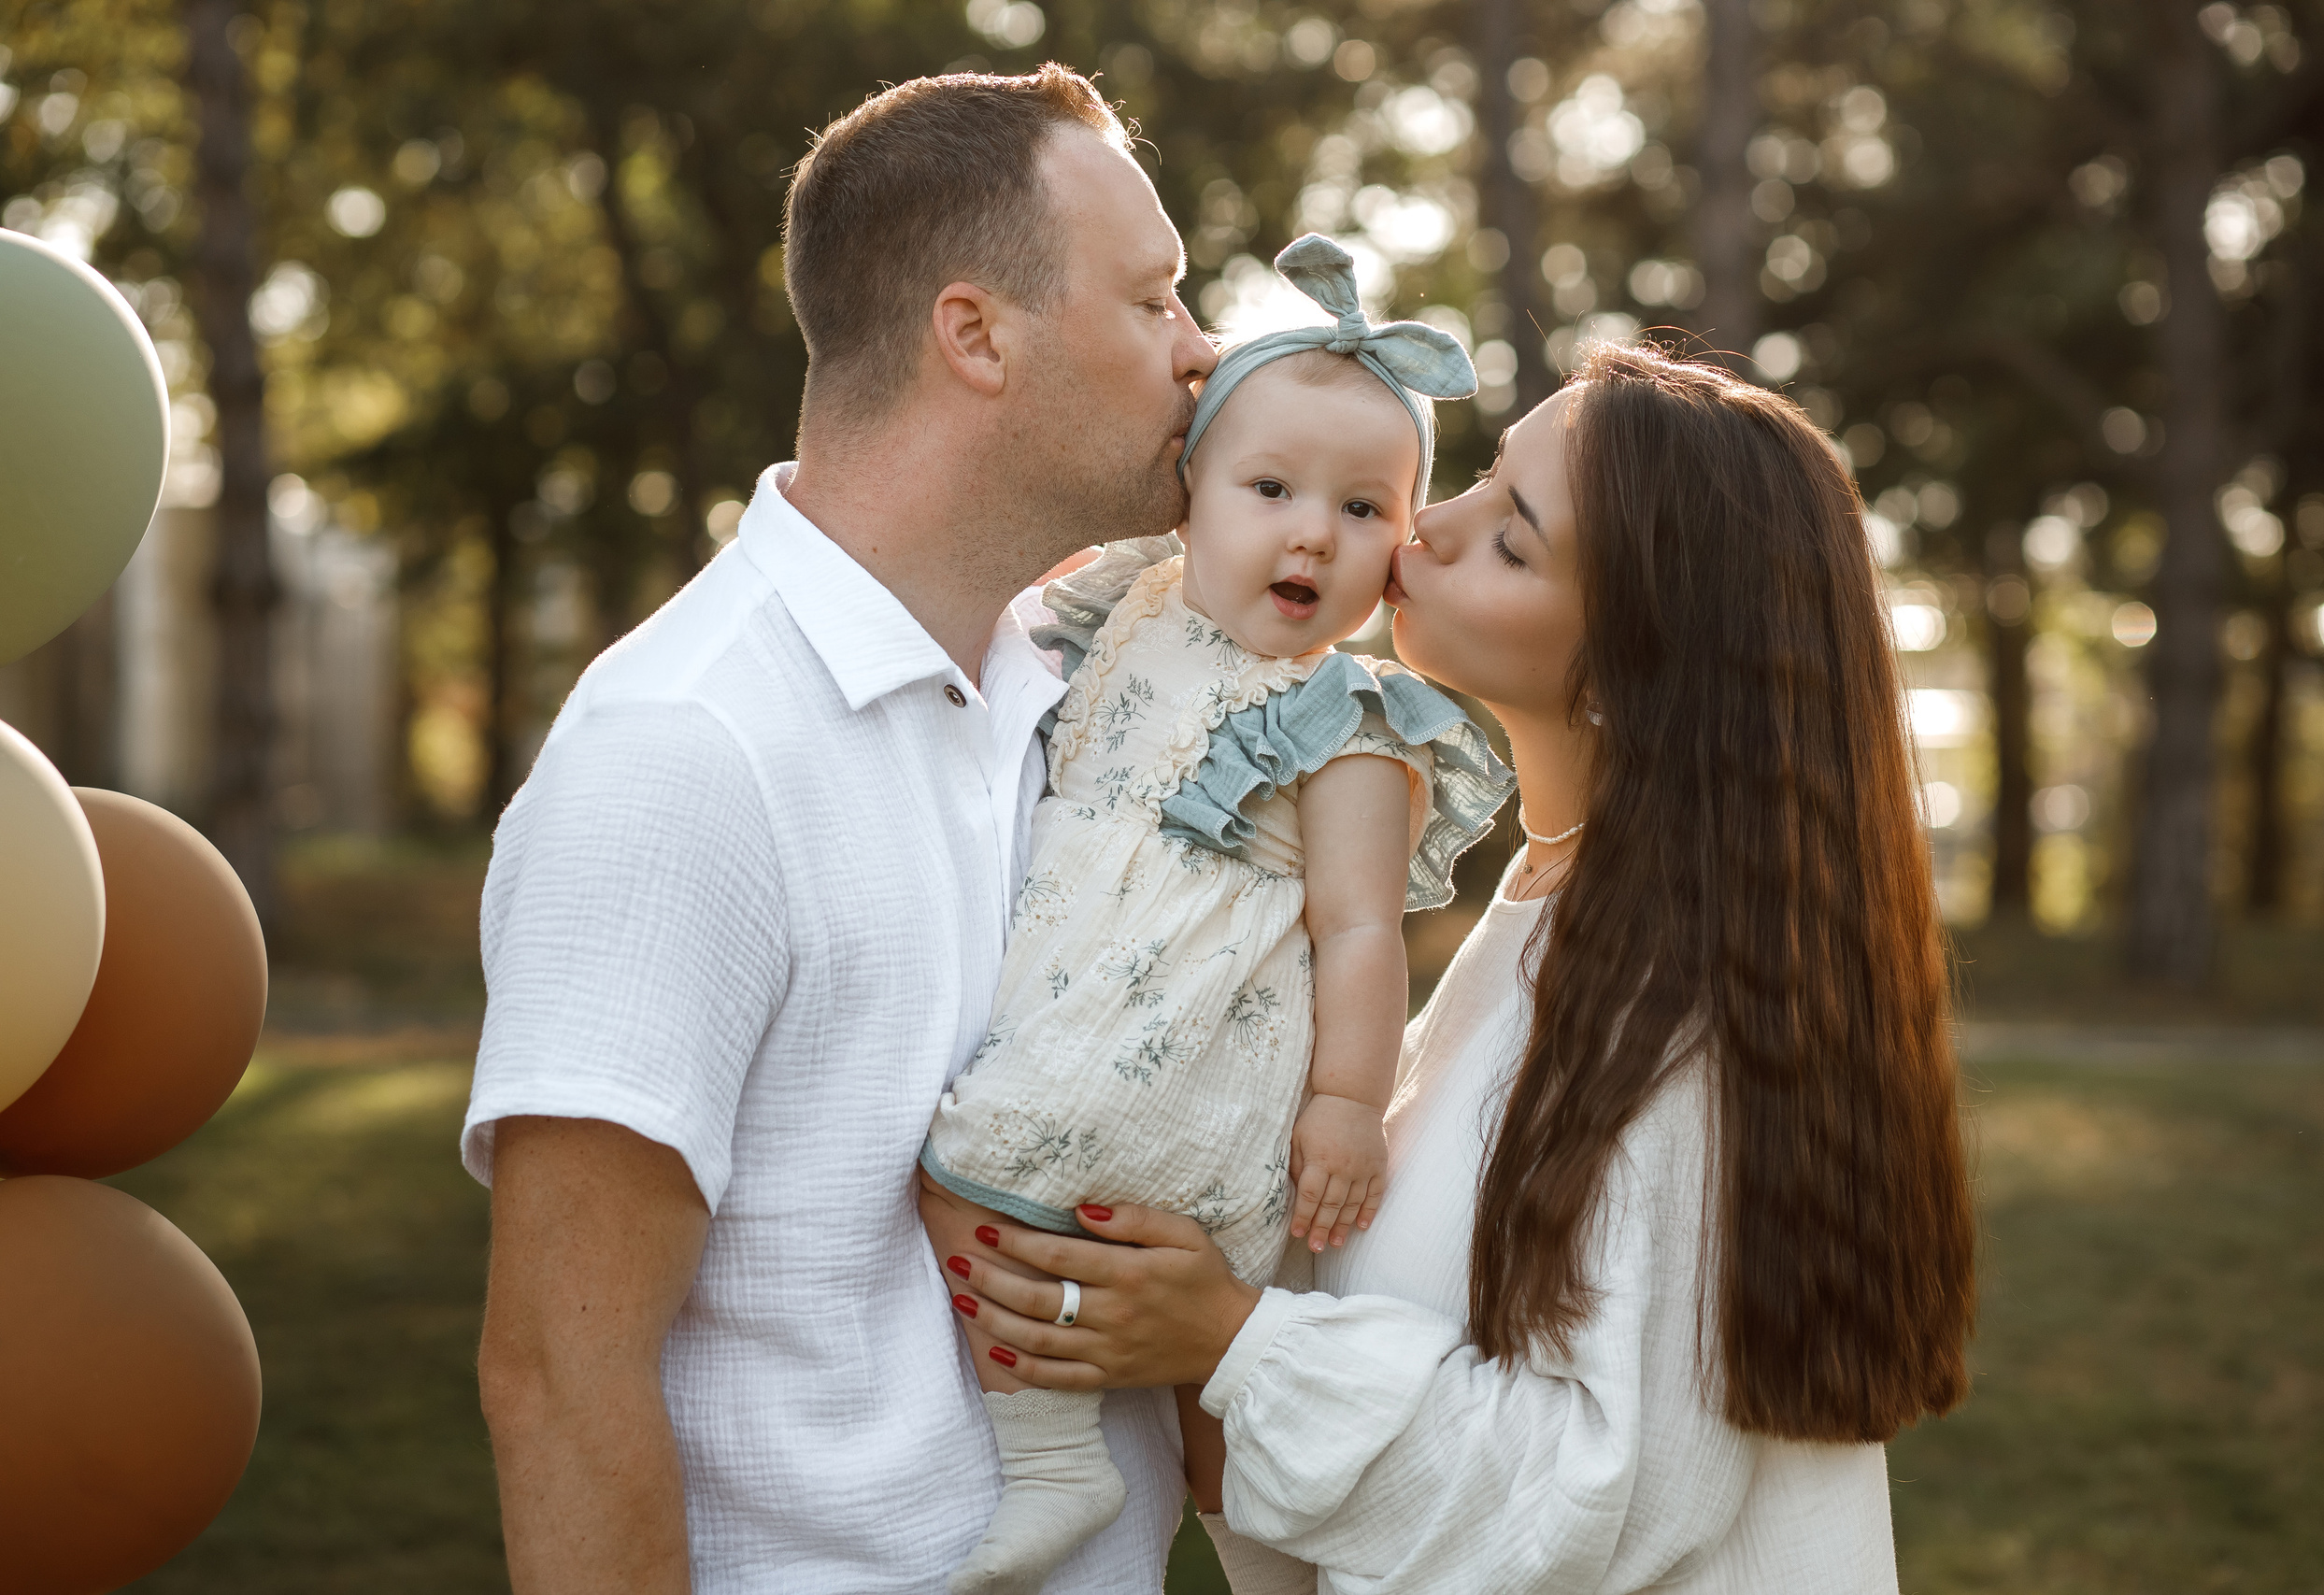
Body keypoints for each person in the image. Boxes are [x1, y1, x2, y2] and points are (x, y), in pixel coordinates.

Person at [942, 344, 1979, 1593]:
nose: (1425, 525)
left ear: (1637, 673)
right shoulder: (1560, 907)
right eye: (1485, 476)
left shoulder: (1695, 1026)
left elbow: (1601, 1495)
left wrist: (1231, 1343)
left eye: (1512, 539)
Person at [462, 66, 1219, 1592]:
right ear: (974, 334)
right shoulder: (688, 753)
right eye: (1154, 301)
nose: (1205, 350)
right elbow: (558, 1376)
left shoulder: (1060, 687)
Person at [919, 235, 1509, 1595]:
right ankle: (1063, 1451)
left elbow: (1363, 932)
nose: (1314, 530)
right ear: (1188, 497)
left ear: (1400, 547)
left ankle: (1205, 1531)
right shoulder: (1126, 610)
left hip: (1197, 1046)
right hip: (1084, 995)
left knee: (971, 1164)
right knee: (1014, 1213)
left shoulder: (1348, 718)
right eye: (1270, 488)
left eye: (1367, 510)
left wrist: (1346, 1105)